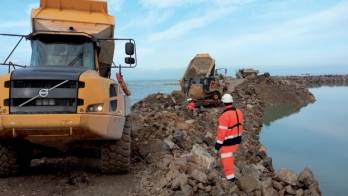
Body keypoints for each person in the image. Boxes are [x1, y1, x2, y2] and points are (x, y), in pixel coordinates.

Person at [214, 94, 244, 182]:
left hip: (228, 142)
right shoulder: (239, 112)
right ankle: (230, 175)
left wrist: (218, 144)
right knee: (230, 157)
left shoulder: (224, 116)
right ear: (231, 101)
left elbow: (222, 132)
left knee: (226, 159)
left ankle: (230, 179)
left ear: (223, 103)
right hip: (237, 140)